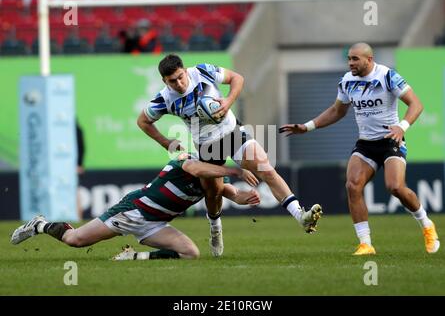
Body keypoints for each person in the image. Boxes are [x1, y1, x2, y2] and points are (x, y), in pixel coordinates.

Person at [137, 54, 323, 253]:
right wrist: (166, 142)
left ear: (185, 70)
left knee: (266, 169)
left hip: (232, 133)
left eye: (181, 76)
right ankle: (216, 229)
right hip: (207, 146)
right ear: (164, 81)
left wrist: (227, 101)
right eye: (172, 81)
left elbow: (237, 78)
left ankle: (300, 216)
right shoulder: (164, 99)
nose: (179, 83)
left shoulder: (202, 72)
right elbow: (143, 121)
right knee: (213, 193)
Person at [279, 42, 440, 255]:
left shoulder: (387, 76)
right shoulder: (347, 81)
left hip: (391, 141)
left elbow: (416, 104)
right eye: (349, 59)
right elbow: (337, 111)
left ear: (369, 60)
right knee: (352, 186)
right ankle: (366, 244)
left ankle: (427, 225)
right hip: (365, 144)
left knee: (395, 187)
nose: (350, 63)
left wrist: (402, 127)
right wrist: (307, 127)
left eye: (355, 59)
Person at [10, 153, 261, 260]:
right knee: (76, 240)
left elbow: (233, 195)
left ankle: (133, 257)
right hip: (133, 211)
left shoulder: (216, 180)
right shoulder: (187, 163)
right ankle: (40, 225)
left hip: (156, 225)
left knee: (190, 254)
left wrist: (246, 198)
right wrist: (236, 170)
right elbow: (196, 168)